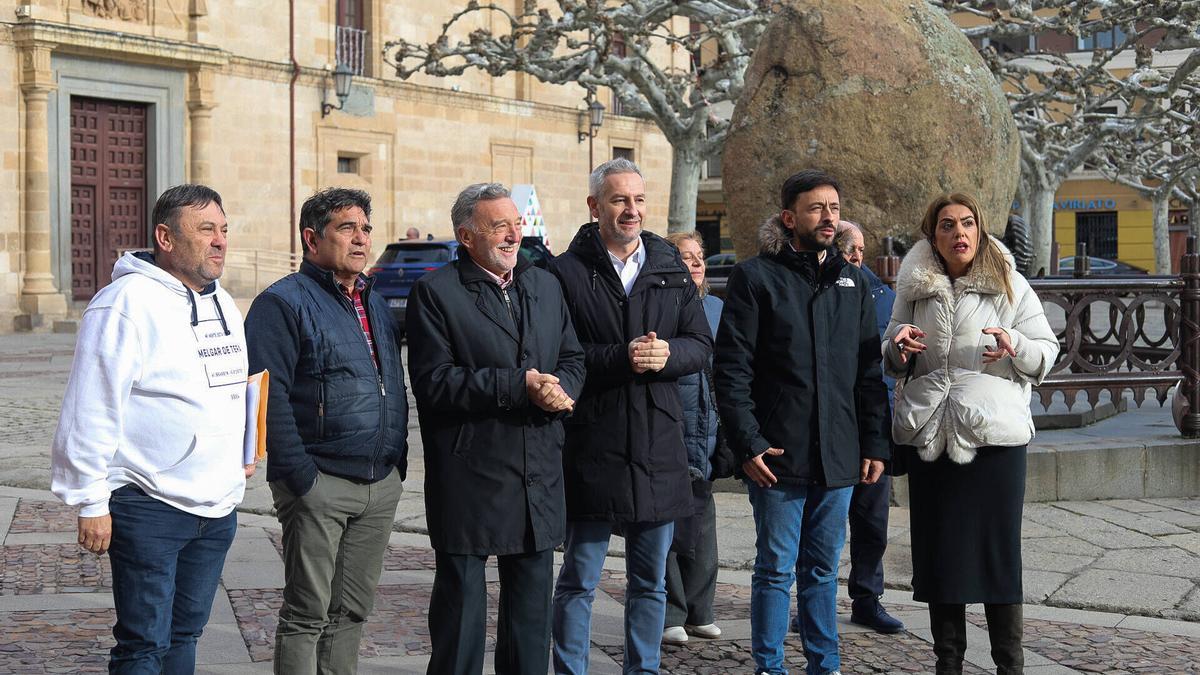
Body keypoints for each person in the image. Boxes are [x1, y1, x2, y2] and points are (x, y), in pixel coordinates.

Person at [51, 184, 253, 673]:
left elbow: (231, 386)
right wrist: (91, 501)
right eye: (206, 230)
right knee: (144, 644)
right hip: (149, 504)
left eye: (224, 230)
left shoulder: (222, 300)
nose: (220, 241)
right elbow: (90, 406)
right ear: (165, 236)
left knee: (186, 634)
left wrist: (241, 450)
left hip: (217, 505)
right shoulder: (124, 303)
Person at [715, 170, 890, 675]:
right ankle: (769, 666)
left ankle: (825, 664)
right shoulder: (755, 277)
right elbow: (731, 370)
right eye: (816, 209)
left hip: (837, 454)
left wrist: (874, 443)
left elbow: (867, 372)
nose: (828, 218)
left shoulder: (853, 280)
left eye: (834, 208)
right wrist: (748, 442)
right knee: (774, 569)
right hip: (777, 454)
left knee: (821, 569)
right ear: (789, 218)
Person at [406, 183, 586, 675]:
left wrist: (561, 388)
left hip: (537, 471)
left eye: (515, 223)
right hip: (471, 474)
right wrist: (517, 385)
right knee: (461, 618)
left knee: (530, 622)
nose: (513, 234)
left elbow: (572, 355)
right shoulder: (436, 292)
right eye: (498, 225)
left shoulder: (544, 284)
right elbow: (433, 382)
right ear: (466, 236)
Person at [548, 158, 713, 674]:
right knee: (579, 578)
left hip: (660, 447)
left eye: (639, 200)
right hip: (593, 443)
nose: (632, 210)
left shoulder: (667, 264)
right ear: (595, 206)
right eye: (620, 200)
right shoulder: (563, 272)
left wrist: (668, 357)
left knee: (651, 581)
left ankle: (643, 669)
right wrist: (621, 356)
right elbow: (557, 353)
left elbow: (701, 344)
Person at [885, 193, 1058, 675]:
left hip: (993, 442)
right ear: (933, 236)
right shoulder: (914, 287)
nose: (958, 233)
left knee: (997, 558)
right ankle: (948, 665)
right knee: (941, 561)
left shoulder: (1010, 283)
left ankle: (1010, 666)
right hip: (930, 439)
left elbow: (1046, 351)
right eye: (946, 225)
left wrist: (1014, 346)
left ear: (980, 231)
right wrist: (898, 348)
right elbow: (894, 351)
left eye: (967, 224)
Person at [245, 187, 408, 675]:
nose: (361, 239)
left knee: (351, 611)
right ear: (311, 238)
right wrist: (301, 477)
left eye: (365, 228)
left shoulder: (373, 300)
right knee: (306, 614)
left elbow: (389, 382)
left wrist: (395, 462)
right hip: (320, 482)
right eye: (347, 228)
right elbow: (266, 397)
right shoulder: (281, 303)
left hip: (379, 482)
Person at [788, 222, 904, 635]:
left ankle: (867, 598)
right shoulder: (817, 286)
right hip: (829, 426)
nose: (855, 255)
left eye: (859, 249)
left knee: (872, 522)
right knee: (821, 526)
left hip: (872, 425)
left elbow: (884, 363)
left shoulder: (882, 293)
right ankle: (812, 601)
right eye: (848, 248)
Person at [661, 231, 736, 646]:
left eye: (700, 257)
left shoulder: (716, 308)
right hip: (672, 428)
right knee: (669, 528)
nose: (696, 264)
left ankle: (700, 610)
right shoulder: (659, 305)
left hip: (707, 431)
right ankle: (671, 612)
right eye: (686, 257)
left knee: (703, 525)